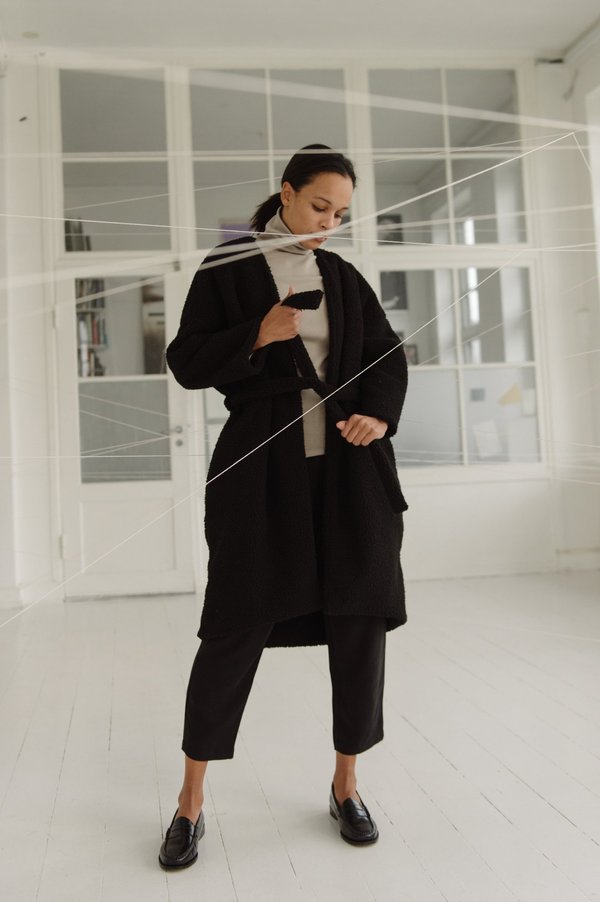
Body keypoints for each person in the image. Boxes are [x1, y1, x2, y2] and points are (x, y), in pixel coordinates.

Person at [158, 144, 409, 869]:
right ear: (286, 192)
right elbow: (186, 360)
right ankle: (189, 803)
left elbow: (386, 355)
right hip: (261, 471)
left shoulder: (342, 276)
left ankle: (346, 786)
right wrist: (255, 336)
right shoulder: (229, 266)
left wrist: (378, 416)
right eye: (320, 206)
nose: (329, 224)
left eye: (342, 214)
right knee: (234, 627)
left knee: (359, 625)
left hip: (351, 476)